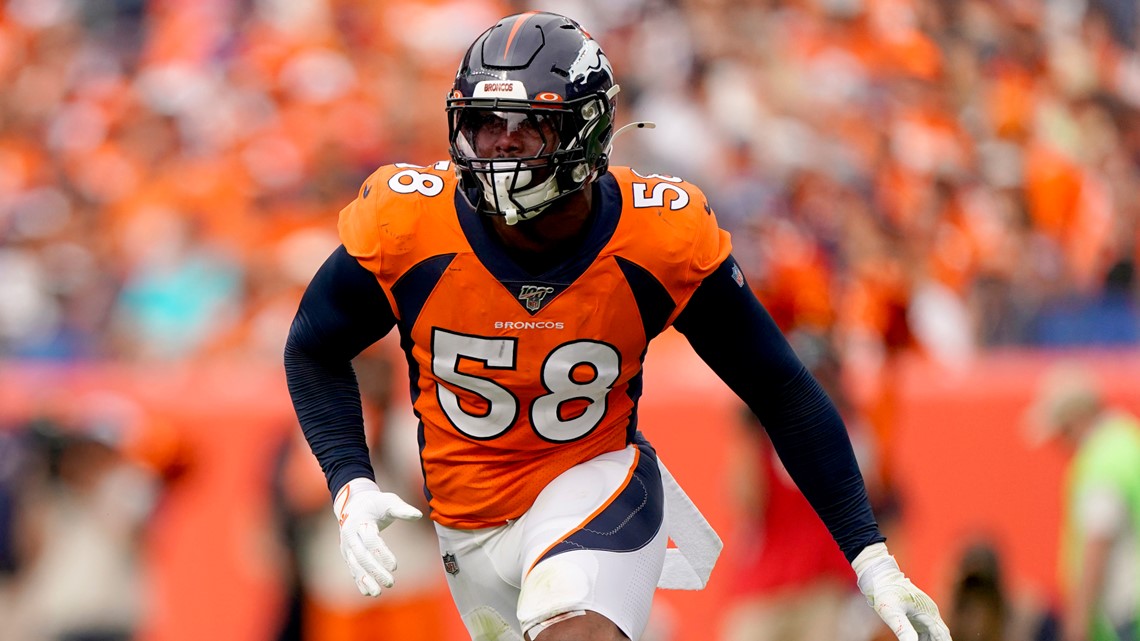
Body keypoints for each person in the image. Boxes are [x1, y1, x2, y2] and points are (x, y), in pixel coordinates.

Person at [284, 11, 952, 641]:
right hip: (464, 525)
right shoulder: (410, 224)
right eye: (487, 122)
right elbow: (314, 346)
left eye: (527, 126)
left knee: (576, 626)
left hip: (592, 482)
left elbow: (779, 386)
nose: (500, 145)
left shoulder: (656, 237)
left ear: (587, 130)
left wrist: (871, 556)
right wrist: (350, 480)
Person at [1029, 364, 1140, 641]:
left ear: (1078, 419)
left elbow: (1097, 543)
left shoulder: (1101, 463)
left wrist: (1077, 620)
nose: (1061, 444)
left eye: (1062, 432)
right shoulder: (1126, 439)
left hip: (1124, 616)